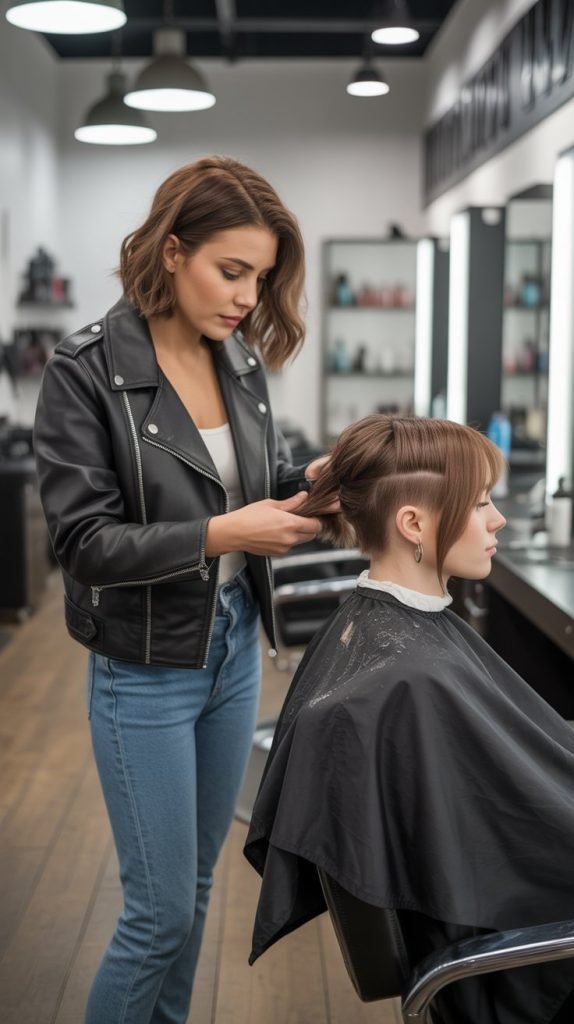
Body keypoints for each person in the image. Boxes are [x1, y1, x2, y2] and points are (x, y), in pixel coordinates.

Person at [33, 155, 328, 1024]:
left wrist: (307, 480)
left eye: (260, 278)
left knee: (193, 891)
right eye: (230, 270)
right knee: (157, 916)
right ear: (171, 250)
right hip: (144, 662)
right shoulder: (85, 370)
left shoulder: (237, 361)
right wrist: (224, 535)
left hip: (231, 644)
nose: (246, 296)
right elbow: (84, 544)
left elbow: (241, 481)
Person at [244, 414, 574, 1024]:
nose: (497, 519)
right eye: (479, 504)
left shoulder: (379, 638)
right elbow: (528, 821)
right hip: (524, 966)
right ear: (414, 523)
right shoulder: (406, 678)